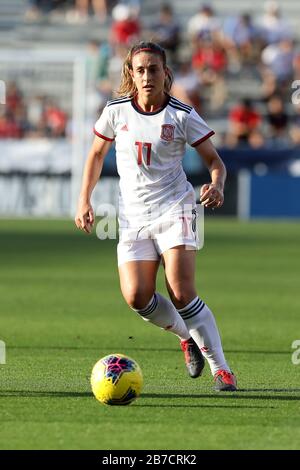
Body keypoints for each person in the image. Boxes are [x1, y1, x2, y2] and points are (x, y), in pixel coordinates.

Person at [75, 41, 237, 392]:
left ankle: (221, 369)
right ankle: (185, 337)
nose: (147, 76)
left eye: (153, 69)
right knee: (136, 297)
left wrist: (217, 183)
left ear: (165, 74)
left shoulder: (181, 114)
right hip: (133, 216)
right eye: (140, 70)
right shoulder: (116, 110)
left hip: (175, 207)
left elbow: (215, 161)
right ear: (131, 75)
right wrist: (83, 200)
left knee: (180, 290)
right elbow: (95, 154)